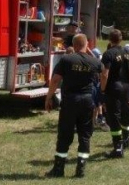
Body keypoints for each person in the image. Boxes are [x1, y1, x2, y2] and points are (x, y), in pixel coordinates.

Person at [45, 34, 102, 178]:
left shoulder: (66, 59)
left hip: (70, 101)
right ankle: (80, 169)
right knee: (85, 135)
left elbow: (55, 79)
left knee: (64, 134)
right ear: (87, 44)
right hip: (87, 101)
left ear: (74, 45)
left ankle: (58, 169)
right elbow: (103, 72)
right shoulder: (94, 61)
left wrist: (49, 96)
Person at [100, 29, 129, 158]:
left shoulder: (108, 54)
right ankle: (126, 140)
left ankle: (117, 147)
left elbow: (105, 74)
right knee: (126, 113)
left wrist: (103, 89)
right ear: (121, 39)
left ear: (110, 39)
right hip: (125, 87)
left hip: (113, 88)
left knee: (113, 117)